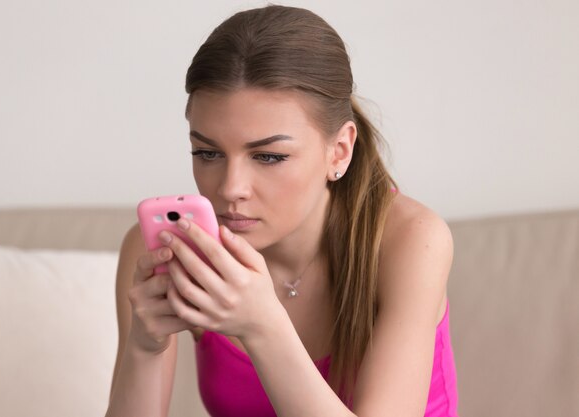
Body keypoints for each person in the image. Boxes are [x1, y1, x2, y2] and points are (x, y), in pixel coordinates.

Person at [106, 5, 458, 417]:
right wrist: (146, 348)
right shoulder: (169, 249)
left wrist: (262, 327)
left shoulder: (412, 240)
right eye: (207, 152)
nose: (230, 189)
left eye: (269, 157)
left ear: (339, 151)